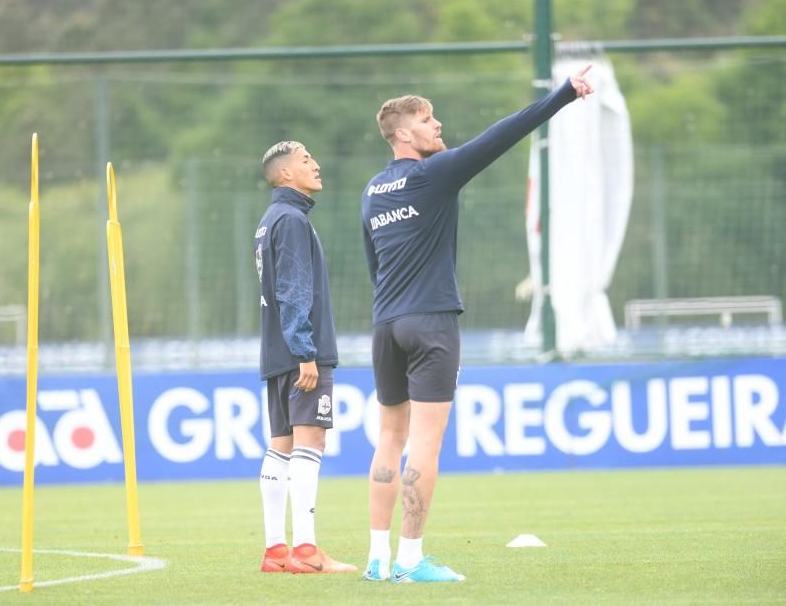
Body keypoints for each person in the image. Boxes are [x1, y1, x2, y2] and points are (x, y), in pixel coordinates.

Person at [360, 67, 595, 583]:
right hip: (431, 322)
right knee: (425, 442)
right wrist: (563, 95)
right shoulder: (431, 174)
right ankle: (410, 559)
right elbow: (503, 134)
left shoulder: (373, 191)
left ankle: (376, 560)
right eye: (427, 119)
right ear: (403, 134)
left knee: (389, 438)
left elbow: (374, 263)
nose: (438, 124)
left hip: (386, 324)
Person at [253, 140, 358, 575]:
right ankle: (308, 551)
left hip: (274, 352)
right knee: (310, 441)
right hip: (299, 353)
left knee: (281, 446)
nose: (315, 164)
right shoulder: (292, 219)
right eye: (304, 160)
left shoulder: (269, 220)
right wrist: (306, 352)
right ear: (285, 175)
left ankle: (276, 551)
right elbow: (292, 289)